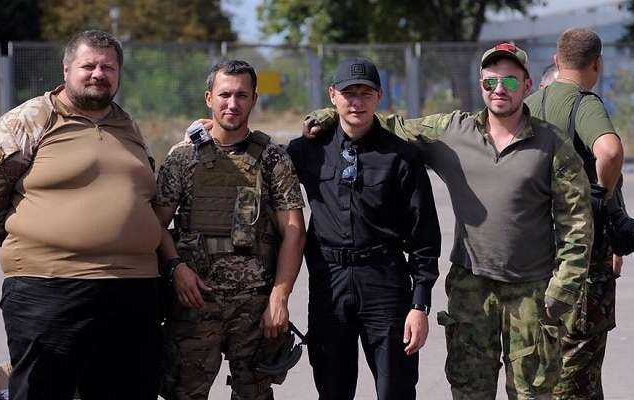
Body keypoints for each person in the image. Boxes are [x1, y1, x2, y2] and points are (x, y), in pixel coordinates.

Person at [305, 43, 594, 399]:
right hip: (472, 288)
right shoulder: (453, 132)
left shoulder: (552, 144)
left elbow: (577, 223)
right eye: (490, 82)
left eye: (510, 81)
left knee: (533, 393)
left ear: (527, 85)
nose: (499, 90)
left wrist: (564, 289)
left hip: (532, 290)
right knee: (469, 391)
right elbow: (388, 124)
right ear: (481, 86)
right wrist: (329, 115)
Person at [0, 30, 162, 400]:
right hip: (48, 288)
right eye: (89, 66)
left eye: (108, 67)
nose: (98, 74)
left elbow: (146, 197)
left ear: (119, 74)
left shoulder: (129, 126)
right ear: (67, 68)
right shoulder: (31, 119)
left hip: (132, 289)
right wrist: (34, 240)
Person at [288, 58, 441, 400]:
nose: (356, 102)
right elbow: (254, 160)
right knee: (332, 388)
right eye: (348, 94)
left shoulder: (401, 156)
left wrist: (420, 305)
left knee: (395, 389)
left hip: (385, 283)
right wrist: (206, 131)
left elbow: (425, 237)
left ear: (379, 97)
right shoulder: (306, 151)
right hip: (330, 284)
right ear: (333, 95)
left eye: (365, 93)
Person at [153, 60, 306, 400]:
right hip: (194, 305)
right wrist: (176, 268)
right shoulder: (182, 158)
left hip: (254, 308)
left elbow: (294, 231)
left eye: (241, 95)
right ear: (209, 97)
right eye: (224, 95)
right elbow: (155, 225)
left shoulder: (273, 159)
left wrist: (279, 298)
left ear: (254, 99)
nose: (232, 104)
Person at [526, 28, 634, 399]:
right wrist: (601, 199)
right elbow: (609, 152)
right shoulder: (583, 104)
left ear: (556, 60)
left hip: (533, 255)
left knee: (542, 365)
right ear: (597, 63)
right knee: (579, 370)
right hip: (582, 258)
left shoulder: (527, 106)